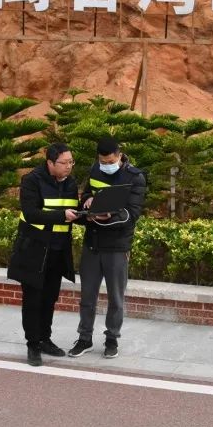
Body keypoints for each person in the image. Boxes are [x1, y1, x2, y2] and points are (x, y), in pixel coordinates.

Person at [68, 136, 147, 359]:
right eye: (102, 161)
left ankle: (112, 339)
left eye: (110, 161)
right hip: (92, 244)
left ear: (119, 156)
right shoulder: (95, 169)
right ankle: (84, 338)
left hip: (117, 247)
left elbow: (132, 214)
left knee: (116, 298)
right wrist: (88, 202)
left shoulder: (135, 177)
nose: (106, 165)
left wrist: (106, 217)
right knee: (87, 297)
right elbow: (87, 194)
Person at [7, 143, 80, 367]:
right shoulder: (32, 180)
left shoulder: (70, 183)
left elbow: (73, 213)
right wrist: (62, 216)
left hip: (58, 250)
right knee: (33, 300)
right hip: (34, 251)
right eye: (64, 163)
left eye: (71, 162)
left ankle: (45, 339)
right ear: (50, 163)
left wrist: (90, 213)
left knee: (49, 298)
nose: (68, 166)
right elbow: (31, 213)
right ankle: (33, 344)